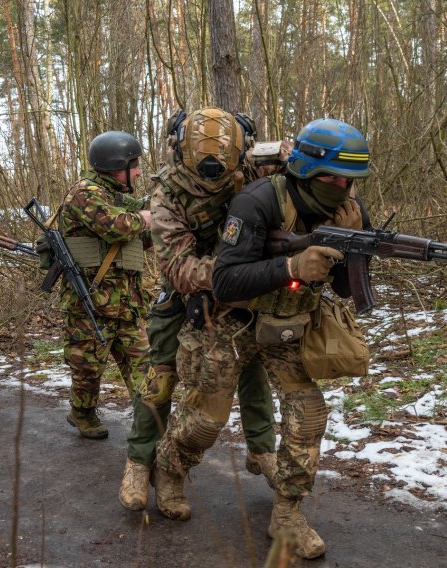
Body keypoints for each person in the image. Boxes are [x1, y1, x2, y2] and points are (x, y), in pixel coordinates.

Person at [154, 118, 372, 559]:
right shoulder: (257, 202)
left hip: (288, 325)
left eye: (352, 180)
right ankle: (169, 468)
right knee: (205, 422)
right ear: (307, 170)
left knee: (309, 414)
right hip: (230, 320)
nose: (344, 187)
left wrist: (354, 247)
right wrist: (291, 268)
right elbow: (228, 281)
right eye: (334, 177)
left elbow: (352, 291)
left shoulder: (349, 209)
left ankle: (287, 513)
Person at [119, 107, 286, 511]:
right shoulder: (167, 192)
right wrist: (239, 271)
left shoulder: (250, 170)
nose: (212, 182)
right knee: (161, 377)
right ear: (180, 152)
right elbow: (178, 267)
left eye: (221, 174)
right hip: (185, 295)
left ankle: (262, 449)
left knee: (253, 370)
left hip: (243, 294)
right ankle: (140, 462)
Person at [58, 131, 152, 440]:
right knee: (88, 369)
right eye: (134, 165)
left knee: (144, 368)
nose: (138, 172)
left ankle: (150, 423)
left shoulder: (119, 197)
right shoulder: (85, 193)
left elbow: (140, 239)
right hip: (91, 304)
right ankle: (81, 411)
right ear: (116, 165)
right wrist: (150, 216)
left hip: (127, 303)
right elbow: (117, 227)